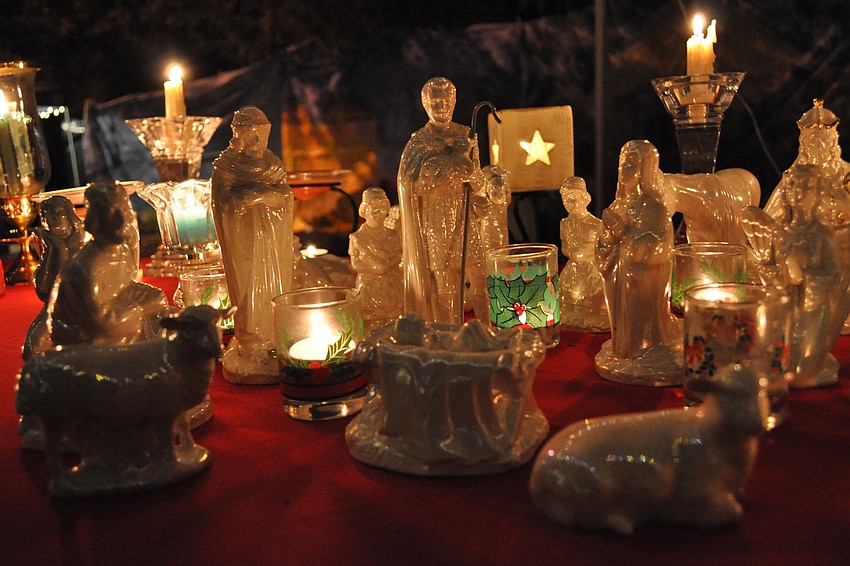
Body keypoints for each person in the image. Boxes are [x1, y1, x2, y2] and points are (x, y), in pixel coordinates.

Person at [212, 106, 294, 384]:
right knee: (247, 290)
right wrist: (248, 198)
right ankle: (249, 343)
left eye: (263, 135)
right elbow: (224, 202)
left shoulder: (272, 162)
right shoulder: (226, 165)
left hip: (271, 239)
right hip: (243, 241)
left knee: (274, 286)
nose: (258, 141)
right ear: (239, 133)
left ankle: (273, 339)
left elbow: (285, 194)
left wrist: (262, 196)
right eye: (253, 135)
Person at [595, 141, 682, 385]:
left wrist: (620, 230)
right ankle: (624, 350)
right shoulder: (617, 206)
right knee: (623, 328)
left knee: (642, 323)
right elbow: (603, 249)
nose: (625, 170)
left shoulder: (653, 209)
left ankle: (647, 349)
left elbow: (650, 247)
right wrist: (609, 241)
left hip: (641, 283)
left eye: (632, 164)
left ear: (645, 171)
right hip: (618, 280)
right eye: (623, 164)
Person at [397, 77, 479, 323]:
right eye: (435, 100)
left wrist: (473, 175)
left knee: (481, 276)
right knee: (447, 283)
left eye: (447, 99)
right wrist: (451, 166)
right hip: (436, 219)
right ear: (425, 103)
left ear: (454, 101)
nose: (442, 105)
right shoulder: (420, 141)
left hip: (466, 216)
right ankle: (449, 332)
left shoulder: (467, 134)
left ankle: (488, 331)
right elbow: (412, 184)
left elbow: (478, 181)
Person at [48, 182, 169, 346]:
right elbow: (99, 322)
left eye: (125, 210)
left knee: (161, 306)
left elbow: (125, 288)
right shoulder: (86, 267)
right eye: (113, 213)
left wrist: (150, 299)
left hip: (120, 319)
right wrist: (139, 308)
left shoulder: (123, 252)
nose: (122, 220)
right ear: (95, 219)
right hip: (87, 339)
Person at [558, 177, 608, 332]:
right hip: (572, 269)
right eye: (565, 200)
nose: (568, 204)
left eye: (572, 200)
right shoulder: (565, 223)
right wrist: (573, 254)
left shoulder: (596, 224)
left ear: (583, 198)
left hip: (591, 270)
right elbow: (564, 248)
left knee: (591, 299)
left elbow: (604, 251)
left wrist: (585, 255)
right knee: (566, 301)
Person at [349, 187, 403, 330]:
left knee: (394, 322)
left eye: (383, 212)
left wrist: (387, 266)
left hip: (391, 282)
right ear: (364, 211)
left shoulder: (392, 235)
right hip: (369, 285)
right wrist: (376, 268)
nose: (380, 215)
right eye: (375, 212)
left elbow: (398, 255)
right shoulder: (357, 238)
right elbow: (355, 263)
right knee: (373, 323)